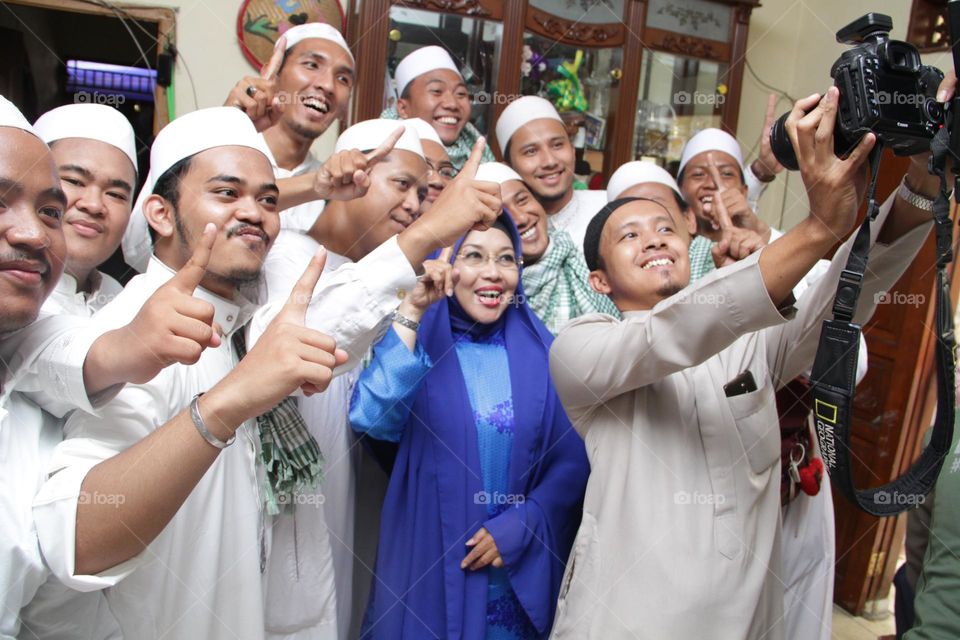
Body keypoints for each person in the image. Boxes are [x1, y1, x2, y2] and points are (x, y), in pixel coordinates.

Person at [547, 88, 938, 639]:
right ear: (600, 280)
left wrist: (923, 182)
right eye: (629, 236)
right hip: (627, 617)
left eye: (665, 229)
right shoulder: (581, 347)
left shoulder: (752, 338)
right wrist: (818, 229)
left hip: (749, 617)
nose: (654, 241)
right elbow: (673, 333)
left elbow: (846, 295)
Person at [31, 106, 353, 639]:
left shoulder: (231, 326)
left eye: (268, 199)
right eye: (227, 193)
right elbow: (76, 538)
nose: (254, 213)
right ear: (159, 213)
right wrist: (230, 401)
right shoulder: (140, 334)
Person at [258, 121, 503, 639]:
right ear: (351, 174)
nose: (415, 204)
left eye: (424, 193)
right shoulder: (280, 257)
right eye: (401, 185)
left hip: (354, 510)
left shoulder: (401, 282)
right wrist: (429, 233)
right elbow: (302, 351)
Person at [349, 213, 589, 639]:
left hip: (513, 573)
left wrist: (524, 523)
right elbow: (371, 418)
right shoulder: (418, 344)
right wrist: (412, 308)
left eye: (506, 259)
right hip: (431, 561)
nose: (493, 273)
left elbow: (572, 462)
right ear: (445, 265)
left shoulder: (546, 351)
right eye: (473, 256)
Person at [476, 161, 618, 334]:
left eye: (522, 200)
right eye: (501, 213)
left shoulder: (590, 264)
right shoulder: (488, 293)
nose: (520, 218)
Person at [32, 103, 138, 315]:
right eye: (74, 181)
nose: (94, 205)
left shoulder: (126, 303)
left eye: (116, 194)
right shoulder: (10, 294)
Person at [496, 96, 606, 249]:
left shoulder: (609, 209)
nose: (550, 161)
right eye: (531, 151)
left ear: (573, 151)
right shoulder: (500, 231)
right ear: (508, 167)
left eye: (557, 145)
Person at [382, 45, 495, 170]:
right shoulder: (382, 160)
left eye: (461, 93)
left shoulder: (482, 157)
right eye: (436, 91)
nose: (452, 104)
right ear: (403, 108)